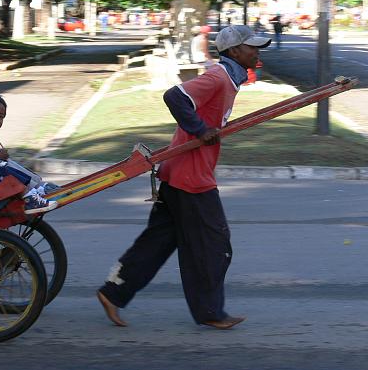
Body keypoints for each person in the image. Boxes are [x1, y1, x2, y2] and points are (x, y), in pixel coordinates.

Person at [96, 25, 271, 330]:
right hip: (191, 177)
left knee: (158, 242)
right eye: (251, 47)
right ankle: (210, 312)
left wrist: (202, 129)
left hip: (178, 171)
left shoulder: (230, 78)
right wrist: (201, 130)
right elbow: (175, 96)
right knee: (215, 244)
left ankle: (113, 292)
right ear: (234, 52)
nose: (257, 52)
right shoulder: (218, 77)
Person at [0, 91, 60, 195]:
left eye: (0, 117)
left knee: (9, 162)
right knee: (7, 165)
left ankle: (39, 184)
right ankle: (37, 187)